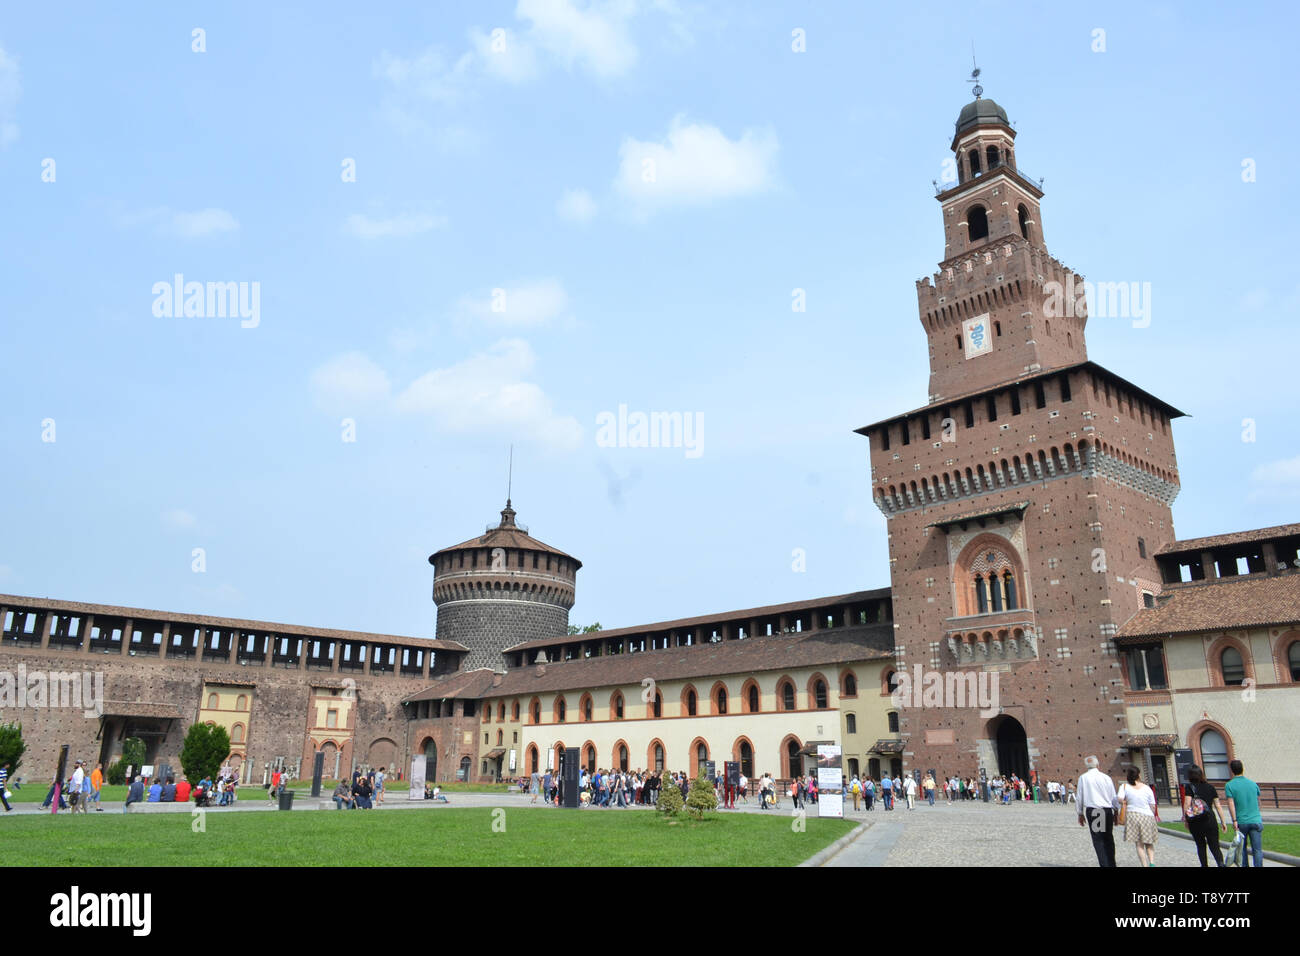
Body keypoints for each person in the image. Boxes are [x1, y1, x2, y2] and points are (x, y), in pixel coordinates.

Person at [1077, 755, 1119, 867]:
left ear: (1086, 766)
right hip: (1106, 810)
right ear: (1098, 765)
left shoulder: (1083, 778)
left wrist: (1080, 813)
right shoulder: (1106, 778)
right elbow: (1113, 796)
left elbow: (1079, 797)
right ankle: (1111, 863)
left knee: (1099, 840)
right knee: (1108, 838)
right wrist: (1116, 812)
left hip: (1094, 811)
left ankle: (1104, 864)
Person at [1183, 765, 1227, 867]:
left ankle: (1204, 865)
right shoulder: (1210, 787)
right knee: (1215, 846)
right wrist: (1223, 821)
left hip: (1196, 820)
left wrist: (1186, 820)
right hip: (1210, 819)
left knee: (1201, 845)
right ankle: (1221, 864)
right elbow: (1218, 805)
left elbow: (1187, 803)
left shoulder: (1189, 787)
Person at [1224, 759, 1264, 868]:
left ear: (1232, 771)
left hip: (1242, 821)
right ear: (1243, 769)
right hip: (1255, 820)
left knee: (1242, 849)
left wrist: (1234, 820)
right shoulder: (1253, 784)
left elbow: (1231, 804)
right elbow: (1259, 803)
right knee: (1257, 850)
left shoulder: (1229, 785)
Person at [1118, 766, 1159, 866]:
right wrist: (1152, 815)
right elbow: (1153, 805)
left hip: (1133, 816)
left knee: (1139, 843)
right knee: (1149, 842)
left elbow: (1119, 798)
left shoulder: (1124, 787)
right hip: (1147, 816)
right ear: (1139, 775)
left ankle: (1144, 865)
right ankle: (1152, 863)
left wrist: (1125, 802)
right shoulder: (1146, 788)